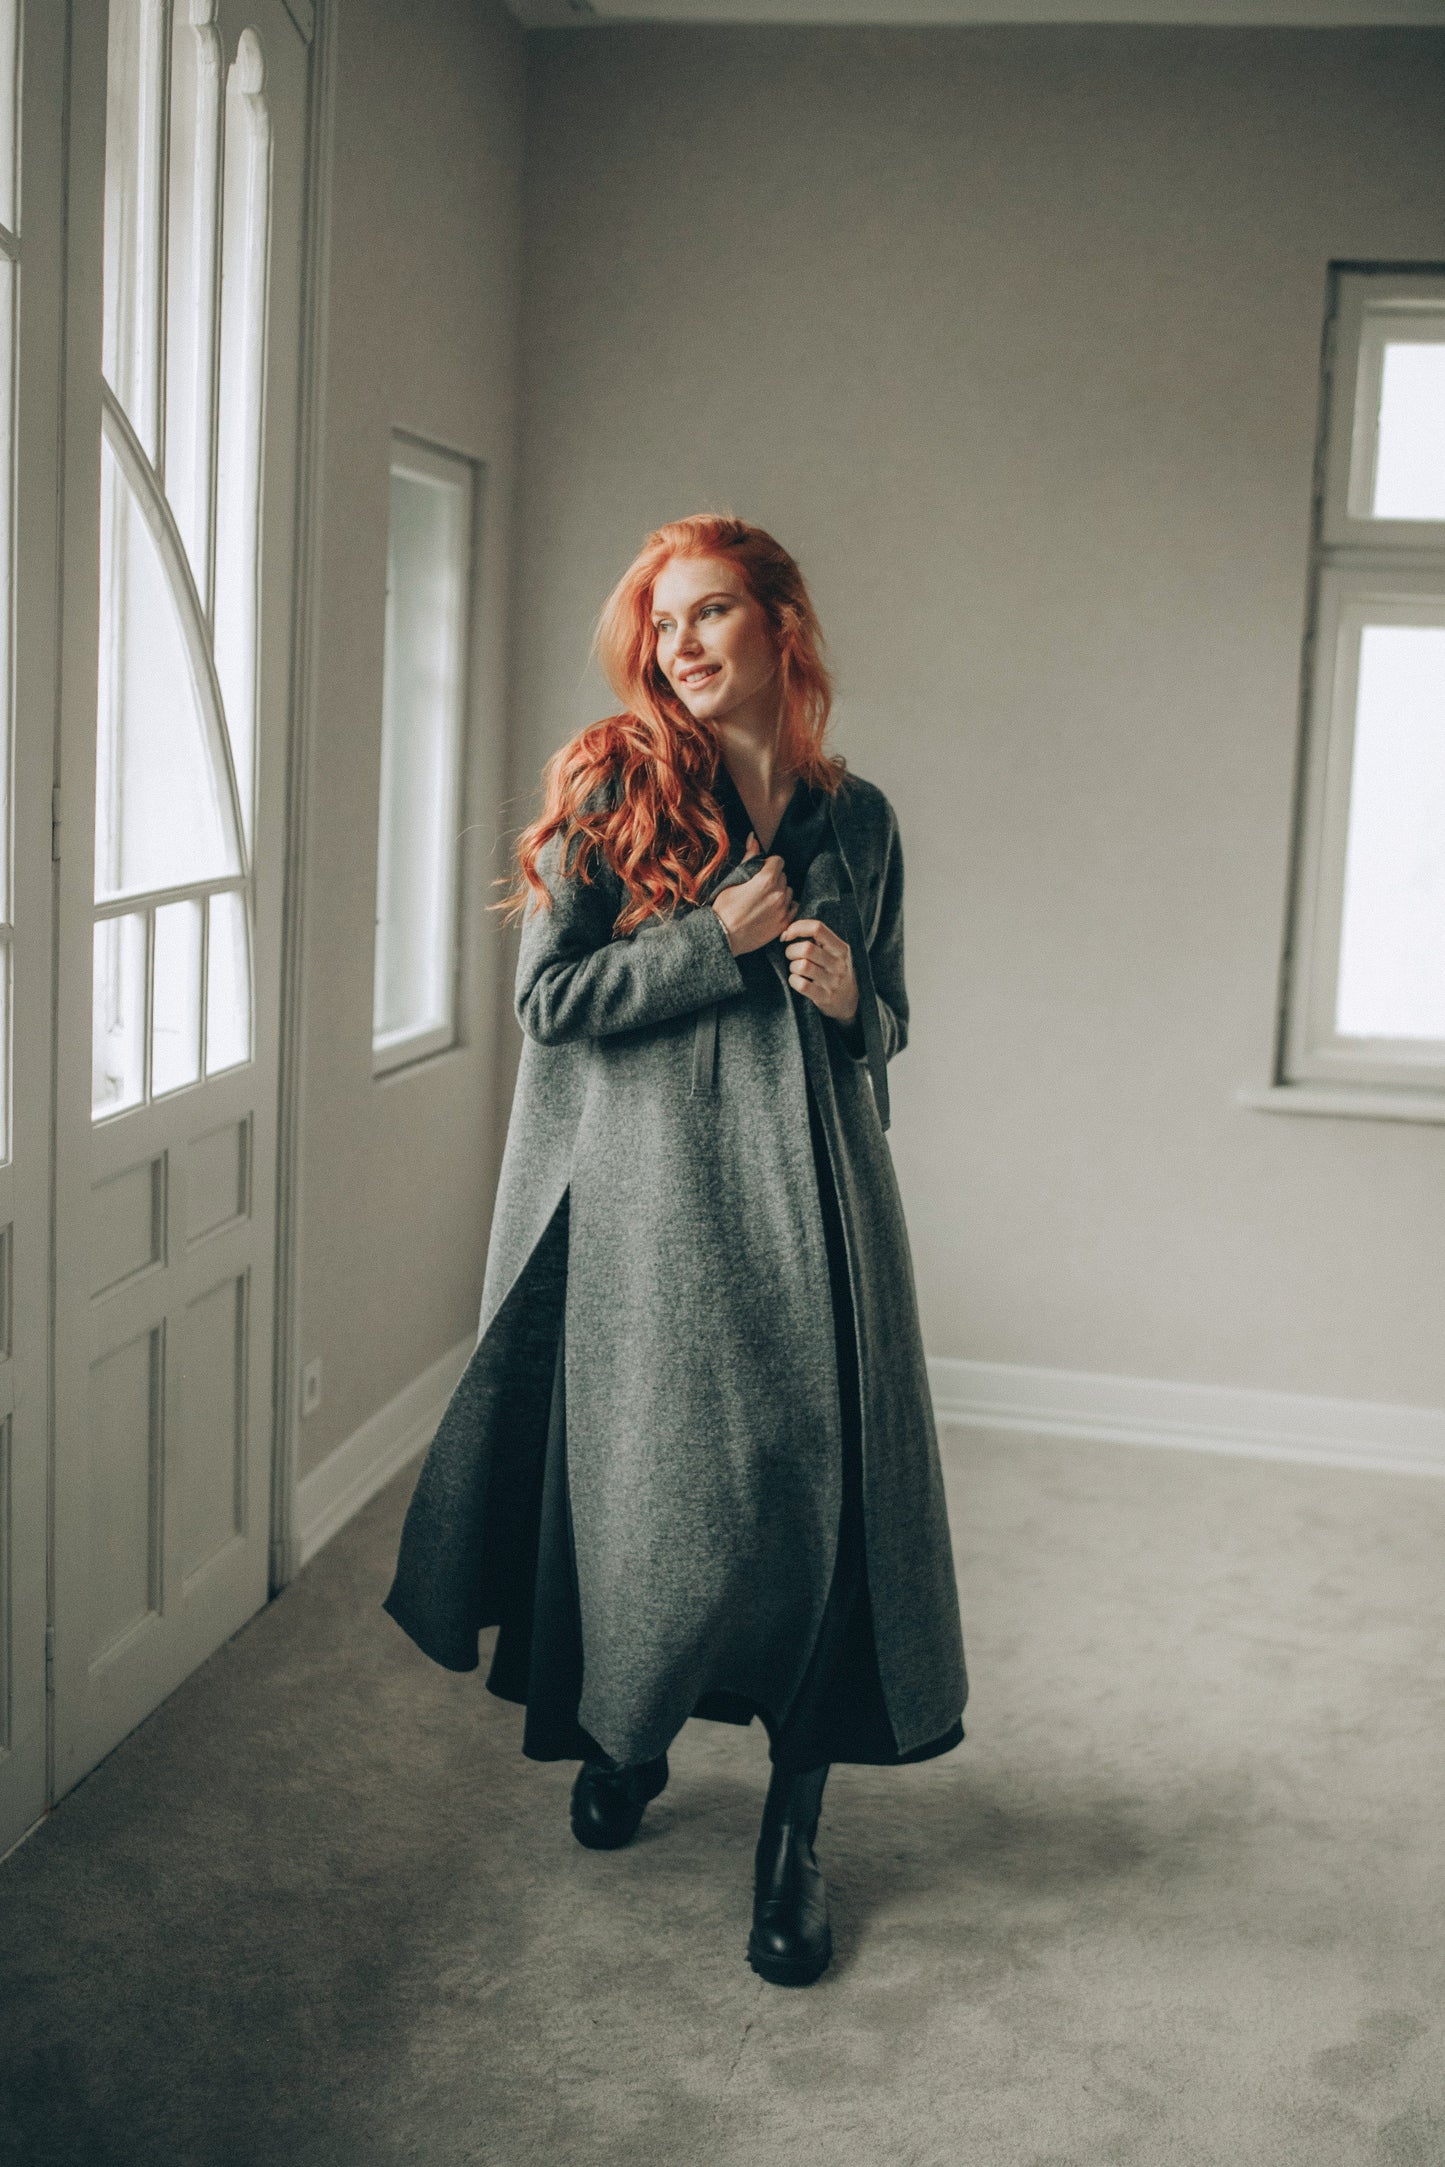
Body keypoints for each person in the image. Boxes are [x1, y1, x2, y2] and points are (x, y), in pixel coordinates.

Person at [384, 513, 967, 1987]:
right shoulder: (612, 786)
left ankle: (791, 1836)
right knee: (659, 1514)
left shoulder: (863, 820)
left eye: (713, 614)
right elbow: (550, 1004)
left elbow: (890, 1019)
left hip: (825, 1220)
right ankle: (631, 1737)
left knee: (818, 1529)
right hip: (655, 1224)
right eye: (664, 623)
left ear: (782, 625)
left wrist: (849, 1005)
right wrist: (716, 938)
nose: (683, 645)